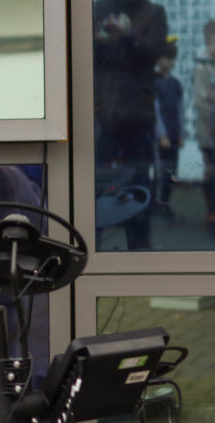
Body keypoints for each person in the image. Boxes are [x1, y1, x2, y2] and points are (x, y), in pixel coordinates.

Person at [93, 0, 168, 249]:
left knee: (138, 181)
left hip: (137, 111)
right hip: (101, 109)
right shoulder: (99, 8)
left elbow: (154, 53)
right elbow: (81, 56)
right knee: (95, 181)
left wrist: (129, 34)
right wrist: (97, 37)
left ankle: (139, 245)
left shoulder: (153, 12)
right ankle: (91, 244)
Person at [154, 37, 184, 218]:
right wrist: (162, 134)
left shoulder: (175, 83)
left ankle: (167, 203)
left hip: (173, 134)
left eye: (172, 58)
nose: (170, 62)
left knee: (173, 172)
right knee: (161, 172)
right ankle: (158, 205)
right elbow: (155, 110)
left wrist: (180, 133)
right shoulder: (154, 82)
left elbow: (180, 109)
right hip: (161, 137)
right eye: (166, 57)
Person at [194, 20, 215, 235]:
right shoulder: (202, 65)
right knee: (210, 171)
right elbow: (201, 98)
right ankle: (211, 212)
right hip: (209, 130)